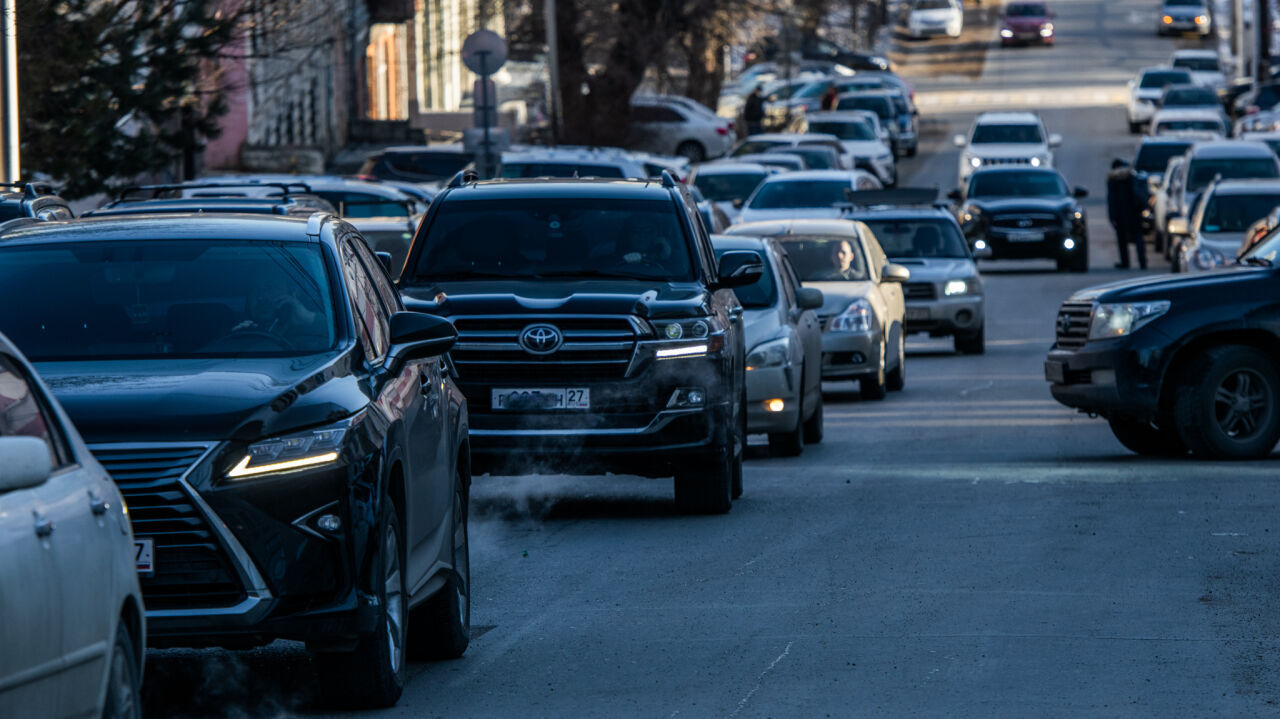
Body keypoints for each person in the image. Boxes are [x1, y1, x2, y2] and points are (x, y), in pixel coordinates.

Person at [1107, 158, 1147, 269]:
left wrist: (1112, 216)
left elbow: (1111, 200)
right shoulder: (1131, 176)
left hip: (1120, 214)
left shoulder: (1113, 180)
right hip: (1134, 212)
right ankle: (1143, 262)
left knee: (1122, 240)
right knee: (1138, 237)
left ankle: (1125, 262)